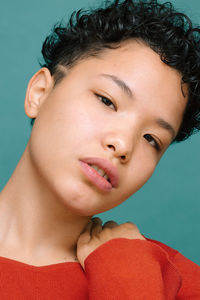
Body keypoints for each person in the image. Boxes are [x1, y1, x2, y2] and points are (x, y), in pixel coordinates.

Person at [0, 0, 200, 298]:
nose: (122, 145)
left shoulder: (175, 281)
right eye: (107, 100)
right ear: (40, 93)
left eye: (151, 139)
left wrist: (129, 282)